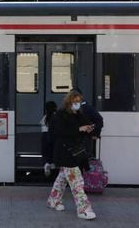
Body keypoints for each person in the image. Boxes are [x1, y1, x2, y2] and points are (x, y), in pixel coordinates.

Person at [47, 90, 96, 220]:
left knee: (62, 179)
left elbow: (85, 127)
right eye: (75, 102)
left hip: (74, 152)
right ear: (69, 102)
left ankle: (53, 200)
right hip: (65, 152)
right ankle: (83, 209)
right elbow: (59, 132)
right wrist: (79, 129)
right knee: (77, 182)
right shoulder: (60, 115)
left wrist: (88, 129)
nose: (78, 104)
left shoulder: (79, 115)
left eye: (79, 102)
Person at [72, 88, 104, 158]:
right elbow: (99, 121)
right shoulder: (88, 108)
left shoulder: (87, 108)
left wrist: (93, 130)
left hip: (82, 141)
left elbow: (99, 121)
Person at [40, 101, 57, 177]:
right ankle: (52, 165)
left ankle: (47, 163)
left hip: (44, 136)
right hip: (53, 135)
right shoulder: (55, 117)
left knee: (46, 152)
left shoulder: (45, 117)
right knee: (53, 151)